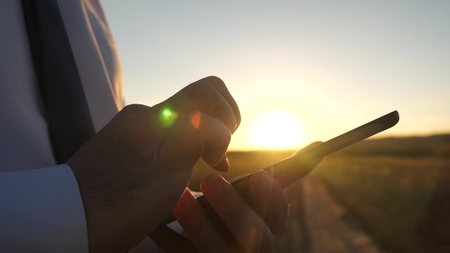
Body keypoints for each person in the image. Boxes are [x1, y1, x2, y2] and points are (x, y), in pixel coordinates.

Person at [0, 1, 318, 252]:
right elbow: (99, 199)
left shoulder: (91, 11)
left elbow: (117, 196)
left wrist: (192, 221)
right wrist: (77, 205)